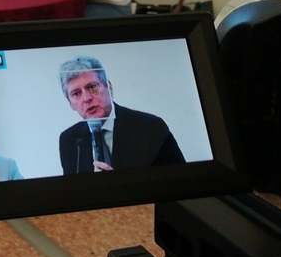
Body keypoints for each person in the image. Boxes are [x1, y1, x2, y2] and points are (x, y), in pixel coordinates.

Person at [57, 56, 185, 175]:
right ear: (70, 103)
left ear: (109, 88)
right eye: (76, 93)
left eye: (92, 88)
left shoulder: (150, 127)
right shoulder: (69, 140)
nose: (86, 98)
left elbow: (180, 180)